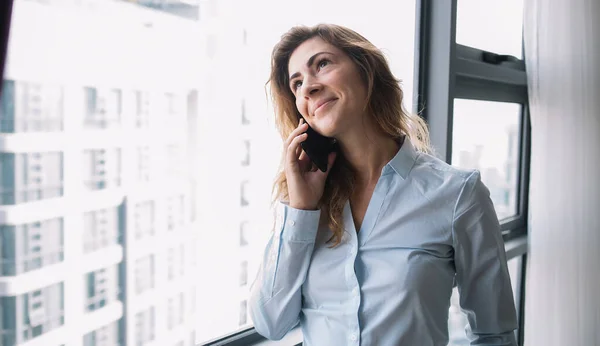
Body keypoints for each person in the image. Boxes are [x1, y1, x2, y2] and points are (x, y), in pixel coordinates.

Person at [249, 23, 518, 346]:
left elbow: (494, 334)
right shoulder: (304, 203)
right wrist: (301, 210)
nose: (307, 87)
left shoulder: (458, 194)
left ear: (366, 70)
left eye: (321, 64)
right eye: (296, 84)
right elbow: (270, 322)